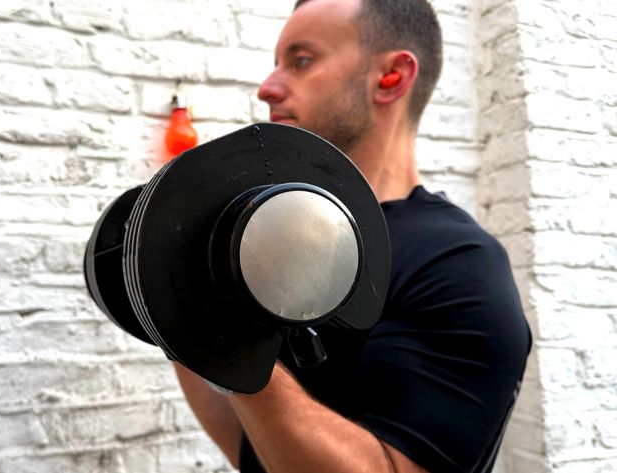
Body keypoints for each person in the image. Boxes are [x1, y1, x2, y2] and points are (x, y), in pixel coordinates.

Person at [173, 0, 532, 472]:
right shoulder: (286, 236)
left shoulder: (459, 263)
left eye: (301, 61)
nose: (267, 88)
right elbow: (256, 450)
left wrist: (230, 331)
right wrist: (176, 302)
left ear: (391, 77)